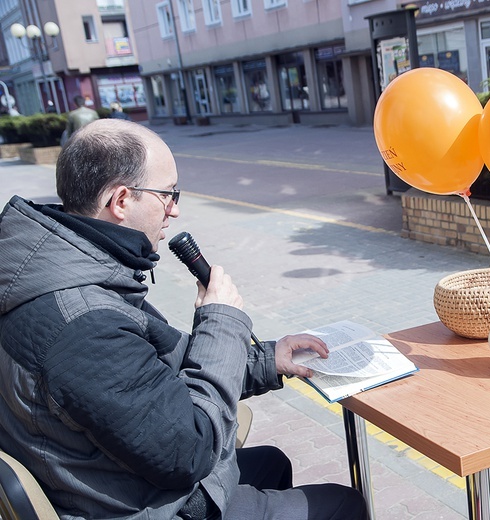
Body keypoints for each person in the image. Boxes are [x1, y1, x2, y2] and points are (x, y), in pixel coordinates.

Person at [0, 119, 367, 520]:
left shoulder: (64, 268)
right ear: (121, 200)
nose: (175, 209)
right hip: (141, 503)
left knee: (273, 462)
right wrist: (222, 321)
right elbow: (191, 449)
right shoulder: (83, 323)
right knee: (342, 504)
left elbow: (155, 373)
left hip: (109, 475)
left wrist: (266, 360)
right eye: (168, 194)